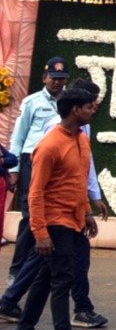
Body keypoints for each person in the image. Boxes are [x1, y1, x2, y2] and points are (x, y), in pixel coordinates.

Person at [5, 86, 98, 330]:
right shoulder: (48, 145)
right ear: (74, 110)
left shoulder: (82, 140)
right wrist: (40, 233)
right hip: (55, 223)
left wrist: (88, 212)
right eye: (89, 106)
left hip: (74, 221)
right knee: (62, 281)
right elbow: (35, 193)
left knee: (45, 280)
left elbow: (78, 181)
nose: (93, 110)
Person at [7, 56, 71, 283]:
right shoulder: (32, 102)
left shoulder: (69, 102)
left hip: (58, 164)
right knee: (31, 215)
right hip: (31, 160)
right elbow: (18, 136)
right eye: (54, 78)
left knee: (49, 214)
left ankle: (40, 269)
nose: (57, 83)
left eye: (62, 79)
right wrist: (13, 169)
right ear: (45, 77)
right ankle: (17, 270)